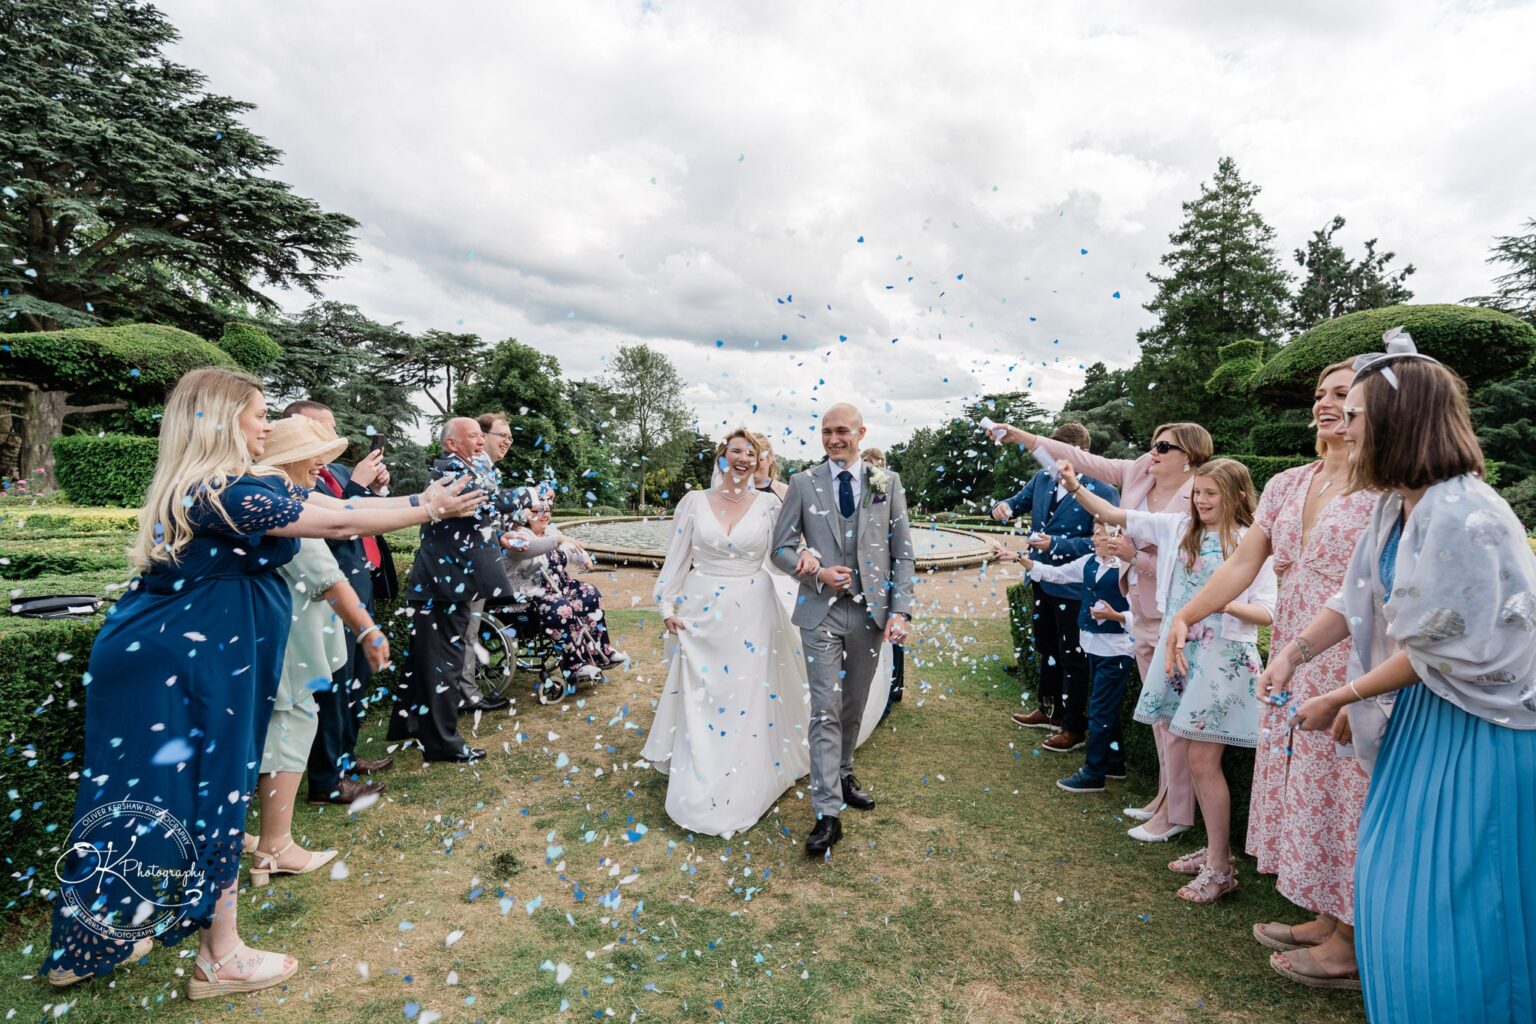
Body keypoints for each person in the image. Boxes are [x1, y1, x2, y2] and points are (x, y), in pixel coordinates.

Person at [42, 368, 478, 998]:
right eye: (259, 414)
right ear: (221, 421)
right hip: (186, 664)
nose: (267, 425)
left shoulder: (219, 486)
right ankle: (219, 958)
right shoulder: (223, 490)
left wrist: (418, 503)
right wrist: (429, 505)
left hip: (174, 657)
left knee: (148, 796)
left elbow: (340, 508)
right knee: (210, 790)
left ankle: (90, 941)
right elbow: (336, 522)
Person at [1276, 334, 1536, 1022]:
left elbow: (1439, 645)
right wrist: (1298, 652)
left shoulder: (1464, 513)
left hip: (1479, 736)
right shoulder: (1397, 506)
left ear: (1400, 421)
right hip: (1425, 722)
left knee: (1452, 909)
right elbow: (1354, 595)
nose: (1340, 425)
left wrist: (1345, 691)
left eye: (1353, 413)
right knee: (1392, 888)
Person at [1163, 360, 1375, 986]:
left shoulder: (1389, 485)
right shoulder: (1287, 483)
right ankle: (1328, 914)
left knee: (1354, 792)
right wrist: (1185, 616)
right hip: (1293, 654)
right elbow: (1243, 563)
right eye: (1320, 394)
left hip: (1354, 657)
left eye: (1343, 394)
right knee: (1312, 787)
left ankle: (1354, 939)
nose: (1326, 403)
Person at [1061, 457, 1275, 902]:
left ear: (1237, 496)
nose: (1200, 500)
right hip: (1180, 655)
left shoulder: (1251, 542)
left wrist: (1220, 603)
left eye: (1210, 494)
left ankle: (1219, 867)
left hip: (1220, 660)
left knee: (1201, 760)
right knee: (1192, 755)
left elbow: (1267, 612)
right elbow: (1117, 515)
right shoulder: (1180, 528)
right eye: (1197, 493)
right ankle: (1216, 850)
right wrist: (1074, 485)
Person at [993, 419, 1211, 840]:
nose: (1153, 453)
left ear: (1191, 456)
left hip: (1177, 615)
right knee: (1159, 718)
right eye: (1153, 443)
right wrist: (1022, 436)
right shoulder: (1137, 474)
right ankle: (1165, 799)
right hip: (1141, 611)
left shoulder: (1198, 495)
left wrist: (1134, 555)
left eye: (1164, 447)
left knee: (1174, 717)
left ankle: (1176, 812)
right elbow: (1080, 458)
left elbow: (1194, 567)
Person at [643, 430, 813, 835]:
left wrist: (808, 557)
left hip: (754, 611)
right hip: (701, 612)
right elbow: (676, 560)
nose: (742, 457)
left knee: (747, 695)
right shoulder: (693, 503)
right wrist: (667, 605)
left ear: (759, 461)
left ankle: (744, 784)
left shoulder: (771, 505)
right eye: (735, 450)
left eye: (750, 452)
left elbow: (786, 553)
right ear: (722, 457)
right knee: (704, 695)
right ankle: (699, 780)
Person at [771, 403, 916, 857]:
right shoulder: (802, 483)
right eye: (826, 432)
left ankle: (845, 770)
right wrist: (814, 572)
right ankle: (827, 813)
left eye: (842, 432)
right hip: (820, 613)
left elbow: (903, 552)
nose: (834, 439)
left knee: (853, 703)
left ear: (860, 433)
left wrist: (901, 611)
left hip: (871, 615)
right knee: (825, 709)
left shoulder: (886, 483)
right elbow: (780, 548)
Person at [249, 416, 388, 885]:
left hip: (287, 638)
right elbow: (328, 577)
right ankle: (275, 846)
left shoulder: (272, 500)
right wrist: (368, 630)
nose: (323, 463)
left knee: (285, 731)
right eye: (315, 454)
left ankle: (265, 845)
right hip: (294, 643)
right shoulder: (284, 510)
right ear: (289, 460)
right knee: (288, 734)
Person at [389, 418, 522, 764]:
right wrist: (531, 494)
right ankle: (443, 743)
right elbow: (489, 501)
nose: (481, 441)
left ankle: (409, 725)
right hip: (445, 585)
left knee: (425, 659)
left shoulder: (462, 467)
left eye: (482, 435)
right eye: (474, 436)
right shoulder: (452, 471)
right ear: (452, 443)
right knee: (444, 664)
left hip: (442, 583)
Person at [283, 400, 396, 805]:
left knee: (356, 682)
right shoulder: (294, 476)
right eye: (321, 429)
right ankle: (327, 778)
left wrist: (378, 489)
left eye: (332, 428)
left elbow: (368, 513)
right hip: (328, 594)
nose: (332, 438)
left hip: (359, 586)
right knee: (332, 686)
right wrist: (359, 488)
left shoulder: (342, 472)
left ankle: (347, 758)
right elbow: (332, 526)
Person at [990, 423, 1119, 752]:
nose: (1052, 460)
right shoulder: (1041, 480)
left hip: (1076, 586)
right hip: (1039, 581)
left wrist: (1056, 544)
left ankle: (1073, 727)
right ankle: (1048, 710)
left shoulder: (1103, 490)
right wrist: (1001, 507)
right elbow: (1014, 502)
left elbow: (1103, 541)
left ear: (1082, 454)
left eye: (1059, 453)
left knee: (1073, 657)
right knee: (1046, 647)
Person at [996, 521, 1137, 793]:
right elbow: (1055, 574)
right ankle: (1115, 762)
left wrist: (1115, 617)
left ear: (1116, 538)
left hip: (1117, 648)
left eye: (1098, 533)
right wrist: (1018, 558)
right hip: (1093, 645)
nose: (1093, 538)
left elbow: (1143, 614)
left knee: (1098, 710)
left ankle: (1093, 773)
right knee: (1104, 706)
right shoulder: (1088, 561)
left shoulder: (1128, 570)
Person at [505, 490, 626, 682]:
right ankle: (574, 666)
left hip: (559, 586)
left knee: (590, 593)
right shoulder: (516, 535)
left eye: (548, 510)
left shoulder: (552, 532)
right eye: (538, 510)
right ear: (525, 514)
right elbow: (527, 549)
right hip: (530, 592)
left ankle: (601, 652)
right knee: (561, 607)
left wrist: (583, 557)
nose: (544, 515)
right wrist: (558, 541)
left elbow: (571, 550)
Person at [453, 411, 518, 713]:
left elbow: (483, 518)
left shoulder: (486, 468)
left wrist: (503, 534)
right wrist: (530, 494)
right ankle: (465, 695)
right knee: (466, 630)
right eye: (501, 435)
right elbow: (487, 504)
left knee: (469, 630)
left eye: (509, 437)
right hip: (467, 565)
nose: (508, 441)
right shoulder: (475, 467)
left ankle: (466, 690)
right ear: (483, 436)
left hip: (479, 561)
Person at [862, 446, 903, 724]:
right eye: (870, 461)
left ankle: (894, 688)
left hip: (883, 569)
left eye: (878, 462)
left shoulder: (887, 484)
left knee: (892, 633)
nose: (874, 466)